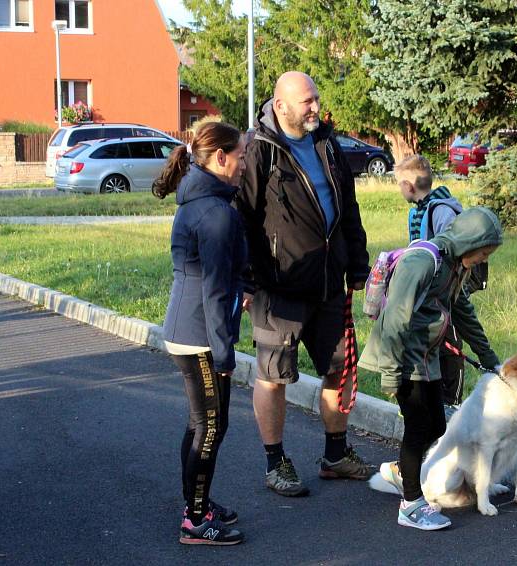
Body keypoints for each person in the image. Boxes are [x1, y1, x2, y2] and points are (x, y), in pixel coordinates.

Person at [235, 71, 373, 497]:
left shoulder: (326, 143)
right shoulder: (261, 150)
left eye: (315, 98)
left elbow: (347, 206)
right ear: (280, 106)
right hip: (280, 287)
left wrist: (359, 263)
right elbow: (241, 217)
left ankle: (335, 454)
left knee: (340, 368)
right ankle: (276, 462)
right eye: (306, 102)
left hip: (331, 282)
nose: (315, 107)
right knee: (274, 376)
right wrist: (242, 280)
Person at [359, 207, 502, 530]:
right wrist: (392, 374)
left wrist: (489, 357)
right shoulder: (423, 262)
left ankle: (401, 472)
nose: (482, 260)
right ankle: (410, 505)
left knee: (437, 426)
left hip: (427, 356)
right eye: (482, 252)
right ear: (469, 243)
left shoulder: (455, 266)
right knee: (418, 426)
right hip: (403, 357)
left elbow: (462, 311)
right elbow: (396, 318)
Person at [153, 121, 248, 545]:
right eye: (242, 155)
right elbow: (213, 290)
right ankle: (195, 519)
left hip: (188, 328)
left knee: (203, 424)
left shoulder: (203, 199)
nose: (245, 163)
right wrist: (224, 355)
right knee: (210, 426)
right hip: (199, 336)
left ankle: (198, 502)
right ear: (222, 158)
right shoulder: (215, 214)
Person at [395, 155, 467, 418]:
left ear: (409, 185)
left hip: (444, 290)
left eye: (399, 184)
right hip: (425, 291)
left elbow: (451, 249)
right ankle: (433, 396)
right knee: (433, 340)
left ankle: (452, 400)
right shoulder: (418, 210)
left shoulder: (440, 209)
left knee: (451, 341)